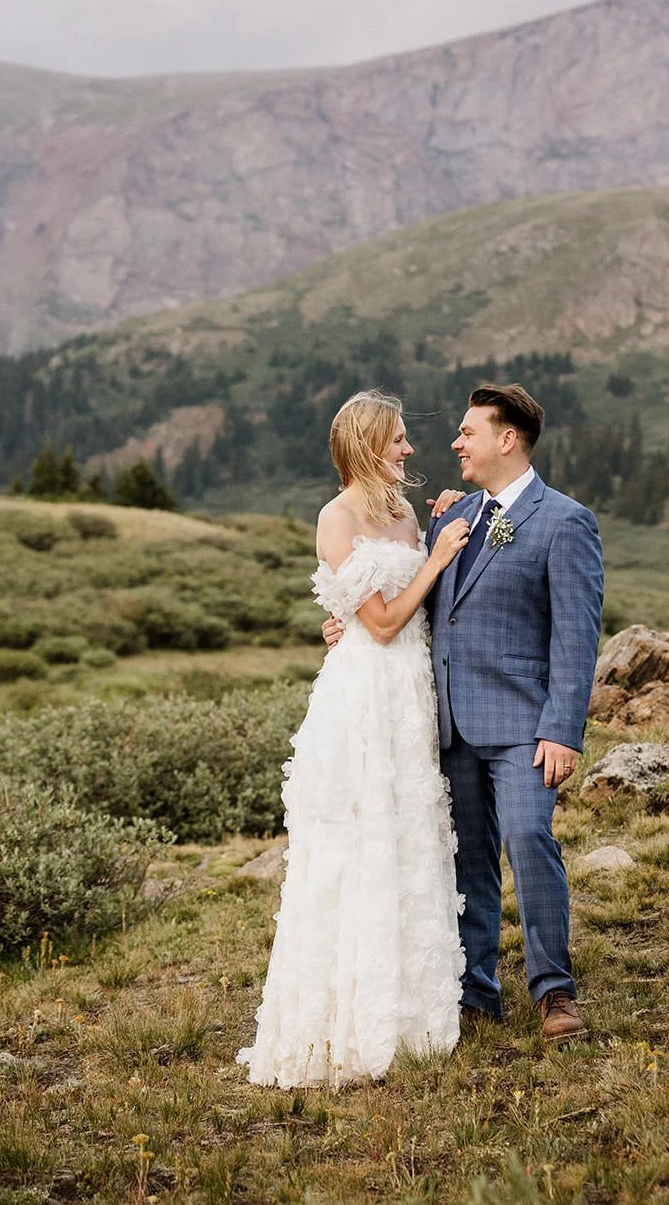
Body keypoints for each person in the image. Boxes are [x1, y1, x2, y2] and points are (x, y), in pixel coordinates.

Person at [325, 383, 603, 1040]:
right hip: (445, 725)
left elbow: (576, 634)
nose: (454, 443)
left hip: (522, 728)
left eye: (467, 432)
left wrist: (562, 729)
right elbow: (415, 608)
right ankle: (476, 993)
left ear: (506, 439)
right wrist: (347, 628)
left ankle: (554, 992)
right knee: (463, 859)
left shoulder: (564, 521)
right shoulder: (452, 516)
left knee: (530, 841)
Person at [236, 389, 470, 1089]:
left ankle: (410, 1012)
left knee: (406, 836)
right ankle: (349, 1018)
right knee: (360, 842)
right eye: (397, 439)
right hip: (367, 698)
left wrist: (443, 522)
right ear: (369, 446)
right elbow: (382, 622)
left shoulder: (400, 511)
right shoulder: (336, 518)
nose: (407, 449)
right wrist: (437, 559)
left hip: (409, 696)